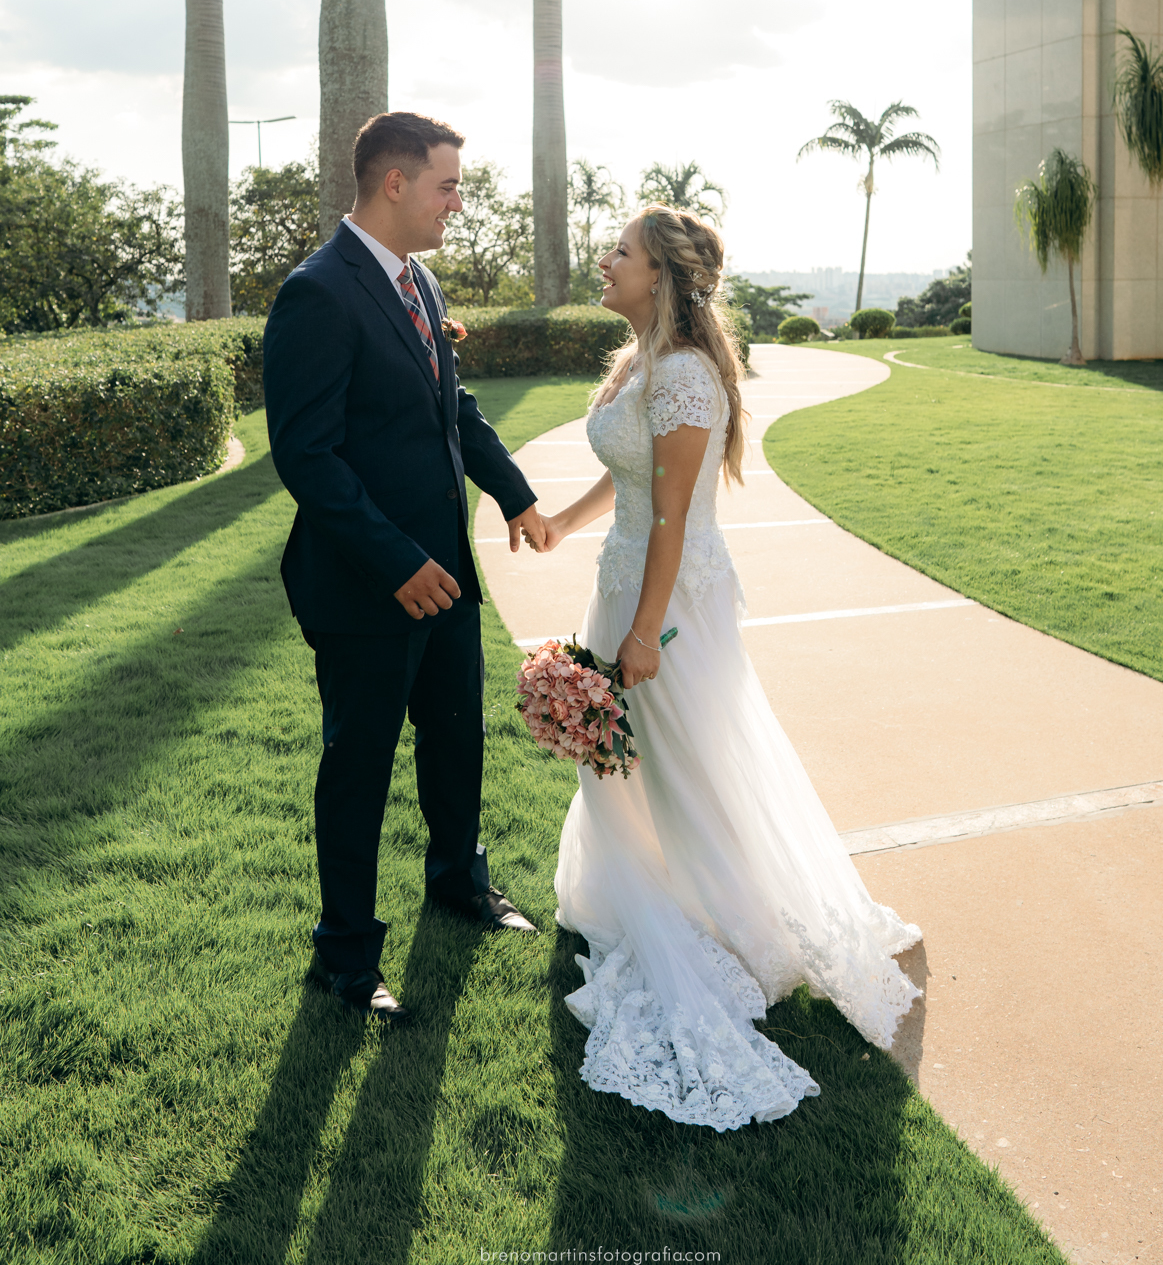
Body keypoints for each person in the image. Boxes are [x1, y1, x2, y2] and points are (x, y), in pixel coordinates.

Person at [523, 204, 922, 1129]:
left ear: (659, 274)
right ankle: (651, 889)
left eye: (620, 251)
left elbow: (671, 516)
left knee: (690, 763)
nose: (606, 260)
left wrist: (642, 632)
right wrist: (559, 524)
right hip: (622, 586)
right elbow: (628, 485)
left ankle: (736, 922)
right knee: (628, 766)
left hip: (669, 608)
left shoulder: (692, 377)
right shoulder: (636, 363)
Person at [263, 111, 544, 1026]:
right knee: (359, 767)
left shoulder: (417, 278)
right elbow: (308, 457)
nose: (457, 203)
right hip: (364, 588)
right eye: (449, 186)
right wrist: (395, 563)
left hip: (447, 578)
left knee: (457, 737)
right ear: (395, 183)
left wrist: (513, 492)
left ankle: (458, 881)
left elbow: (448, 404)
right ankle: (344, 956)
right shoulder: (318, 293)